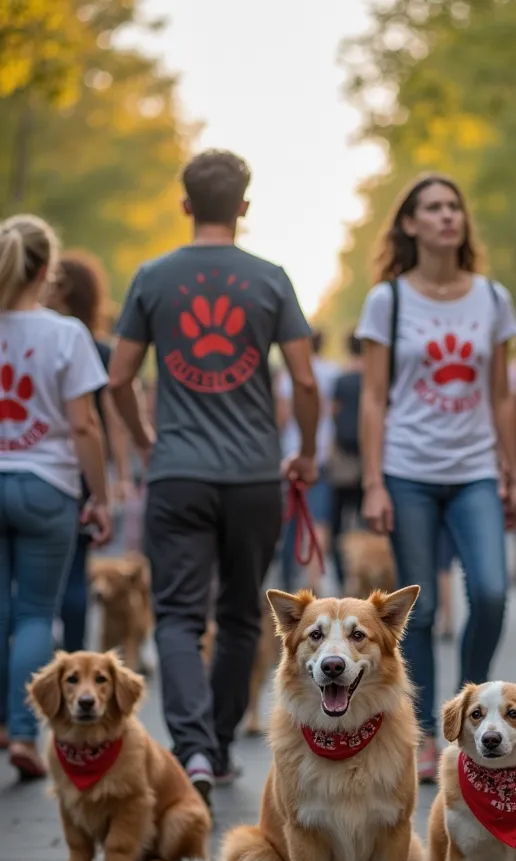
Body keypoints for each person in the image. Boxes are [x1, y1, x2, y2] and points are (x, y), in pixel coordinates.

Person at [108, 149, 318, 804]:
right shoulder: (272, 279)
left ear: (185, 204)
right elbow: (306, 378)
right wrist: (305, 451)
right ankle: (220, 746)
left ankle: (191, 747)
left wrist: (146, 441)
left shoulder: (151, 277)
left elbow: (118, 379)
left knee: (175, 613)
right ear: (244, 208)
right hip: (255, 474)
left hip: (178, 474)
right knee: (239, 614)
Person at [357, 174, 516, 782]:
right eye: (433, 207)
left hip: (476, 467)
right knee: (418, 611)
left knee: (494, 590)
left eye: (454, 206)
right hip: (408, 470)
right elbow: (373, 398)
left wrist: (510, 469)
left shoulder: (492, 297)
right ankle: (427, 735)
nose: (447, 216)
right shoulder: (389, 300)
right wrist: (374, 482)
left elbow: (500, 395)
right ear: (410, 224)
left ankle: (470, 708)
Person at [0, 215, 111, 777]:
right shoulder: (66, 334)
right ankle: (23, 735)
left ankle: (1, 721)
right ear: (46, 270)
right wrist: (102, 495)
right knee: (36, 612)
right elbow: (86, 426)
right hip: (46, 485)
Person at [47, 250, 132, 650]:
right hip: (77, 472)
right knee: (75, 573)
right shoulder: (100, 350)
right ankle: (75, 659)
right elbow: (109, 421)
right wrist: (116, 479)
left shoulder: (34, 337)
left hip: (25, 465)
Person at [276, 329, 338, 593]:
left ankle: (291, 579)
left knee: (292, 519)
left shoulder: (285, 378)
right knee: (319, 519)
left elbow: (281, 417)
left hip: (291, 455)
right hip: (322, 455)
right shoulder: (332, 372)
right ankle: (314, 579)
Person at [329, 330, 364, 588]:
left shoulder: (342, 379)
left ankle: (343, 575)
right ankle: (366, 572)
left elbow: (334, 416)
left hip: (344, 459)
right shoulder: (373, 378)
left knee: (338, 521)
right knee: (365, 521)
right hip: (368, 458)